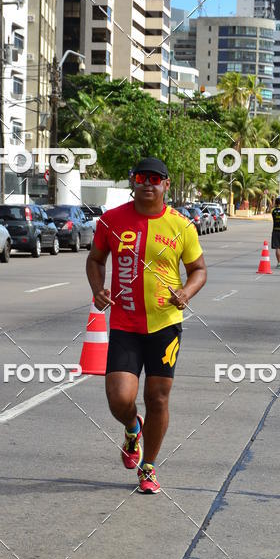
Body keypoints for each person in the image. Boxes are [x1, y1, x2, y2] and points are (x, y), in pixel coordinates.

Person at [86, 157, 207, 494]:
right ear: (132, 181)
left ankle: (149, 467)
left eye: (156, 179)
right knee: (119, 399)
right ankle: (130, 426)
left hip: (165, 325)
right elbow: (95, 260)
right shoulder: (111, 221)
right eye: (141, 177)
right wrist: (98, 290)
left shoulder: (182, 226)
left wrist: (186, 292)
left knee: (158, 398)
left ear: (166, 185)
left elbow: (199, 270)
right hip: (125, 323)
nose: (148, 183)